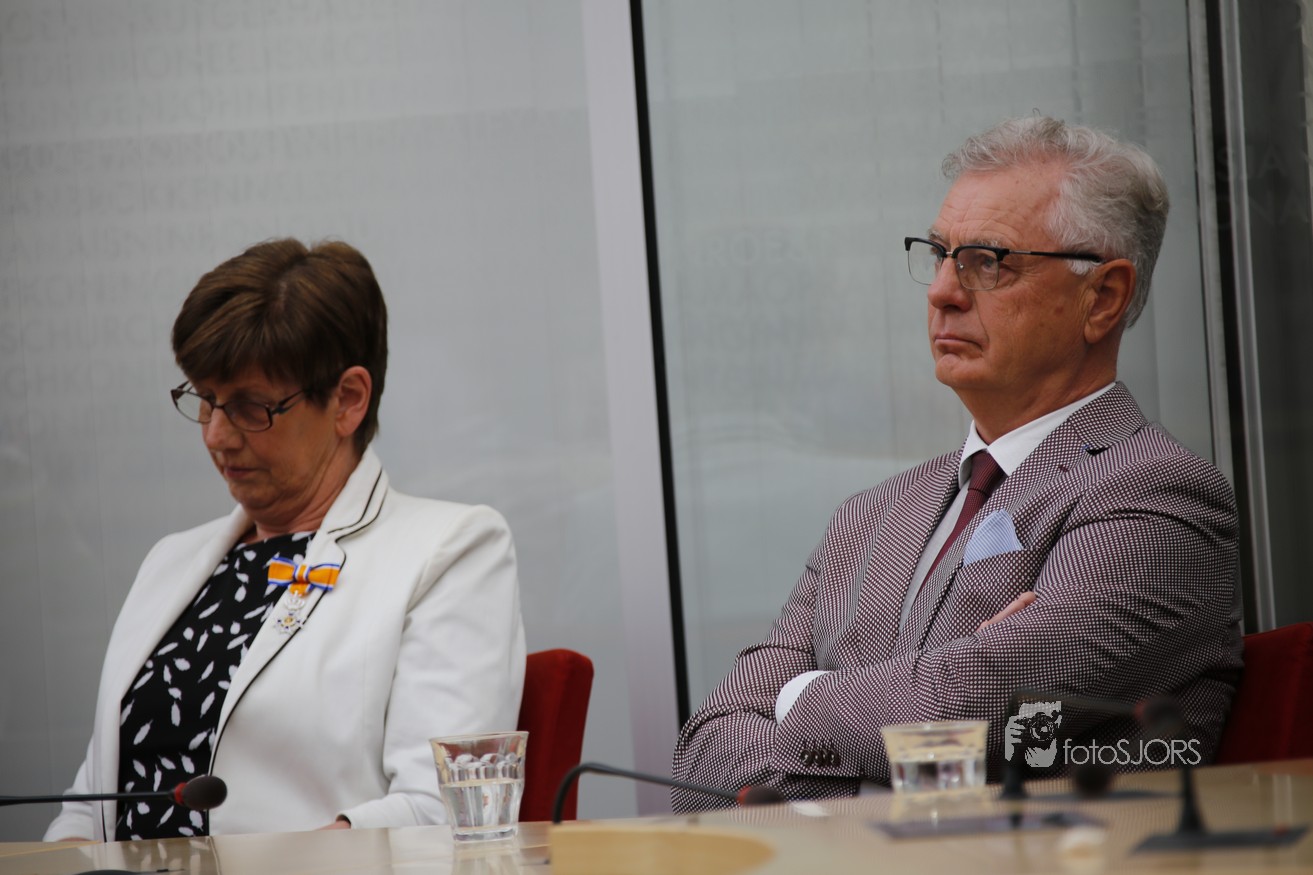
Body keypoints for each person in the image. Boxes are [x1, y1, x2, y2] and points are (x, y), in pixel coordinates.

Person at [670, 117, 1243, 809]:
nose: (941, 290)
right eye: (940, 254)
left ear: (1102, 298)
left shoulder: (1157, 494)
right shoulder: (870, 516)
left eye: (988, 261)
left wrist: (798, 698)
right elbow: (701, 758)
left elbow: (961, 709)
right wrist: (920, 717)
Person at [44, 239, 526, 840]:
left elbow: (439, 812)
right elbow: (88, 807)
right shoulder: (171, 561)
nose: (217, 435)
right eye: (206, 400)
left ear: (348, 400)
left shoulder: (448, 551)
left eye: (251, 407)